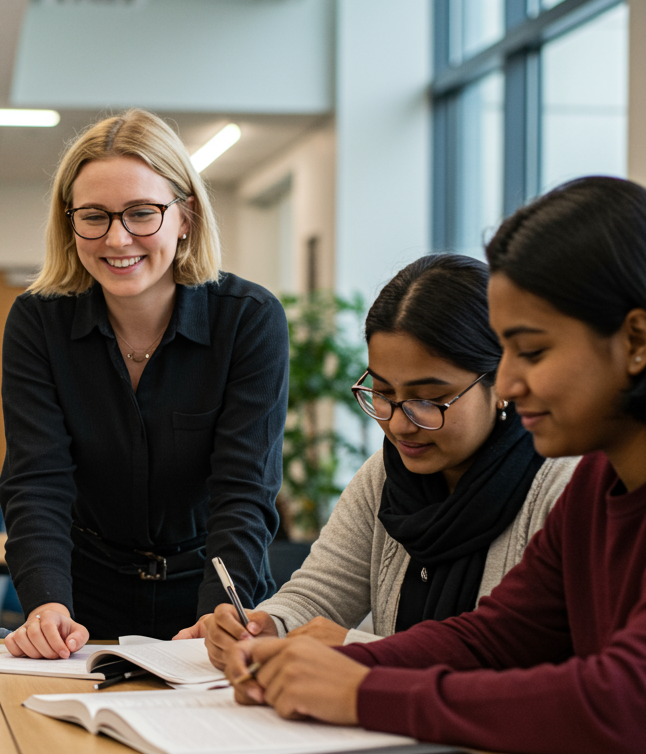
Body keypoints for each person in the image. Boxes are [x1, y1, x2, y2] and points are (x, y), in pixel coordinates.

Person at [222, 176, 646, 754]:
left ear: (638, 340)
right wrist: (340, 661)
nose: (512, 384)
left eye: (534, 351)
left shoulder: (568, 475)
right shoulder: (600, 480)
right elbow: (498, 636)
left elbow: (620, 701)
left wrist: (362, 689)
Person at [179, 254, 578, 666]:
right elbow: (318, 594)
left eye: (429, 400)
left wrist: (361, 651)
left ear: (501, 382)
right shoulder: (387, 474)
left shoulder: (561, 486)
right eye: (384, 393)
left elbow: (532, 666)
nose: (401, 425)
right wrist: (267, 626)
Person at [0, 109, 288, 659]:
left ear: (186, 217)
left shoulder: (249, 320)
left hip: (213, 589)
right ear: (70, 223)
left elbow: (244, 490)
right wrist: (46, 604)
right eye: (94, 216)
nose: (117, 237)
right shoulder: (39, 320)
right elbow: (37, 479)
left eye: (141, 213)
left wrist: (220, 612)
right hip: (81, 602)